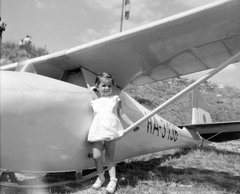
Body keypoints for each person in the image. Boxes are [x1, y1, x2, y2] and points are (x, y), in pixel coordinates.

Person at [88, 72, 139, 193]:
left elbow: (122, 114)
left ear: (113, 87)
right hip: (98, 130)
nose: (106, 88)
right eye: (103, 85)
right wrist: (92, 89)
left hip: (110, 130)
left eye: (109, 86)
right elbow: (96, 117)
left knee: (110, 156)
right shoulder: (94, 102)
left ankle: (113, 180)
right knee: (96, 156)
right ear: (97, 86)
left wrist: (132, 124)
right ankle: (100, 178)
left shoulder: (115, 99)